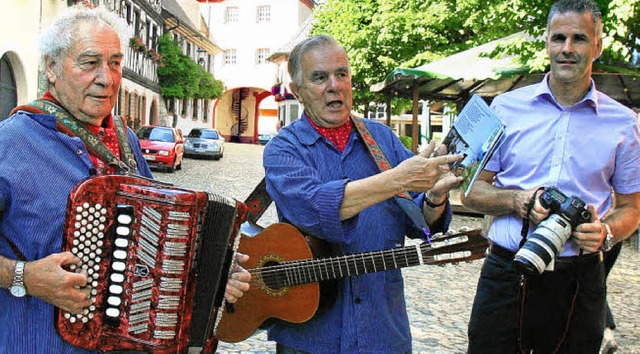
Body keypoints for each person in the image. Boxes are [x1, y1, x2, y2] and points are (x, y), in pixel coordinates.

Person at [0, 5, 250, 352]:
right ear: (52, 68)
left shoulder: (126, 141)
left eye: (115, 63)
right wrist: (22, 276)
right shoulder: (10, 142)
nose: (107, 78)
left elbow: (159, 241)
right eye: (89, 63)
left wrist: (216, 267)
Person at [263, 34, 464, 353]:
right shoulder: (283, 149)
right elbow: (317, 210)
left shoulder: (382, 139)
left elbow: (419, 223)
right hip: (310, 338)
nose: (334, 85)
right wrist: (399, 179)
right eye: (319, 77)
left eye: (341, 74)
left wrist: (435, 198)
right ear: (299, 92)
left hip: (382, 331)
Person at [462, 0, 640, 352]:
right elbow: (471, 193)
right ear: (546, 42)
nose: (567, 49)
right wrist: (518, 200)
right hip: (507, 270)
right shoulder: (506, 108)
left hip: (580, 278)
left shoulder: (624, 123)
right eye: (559, 38)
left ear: (598, 45)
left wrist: (605, 231)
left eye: (579, 38)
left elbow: (632, 208)